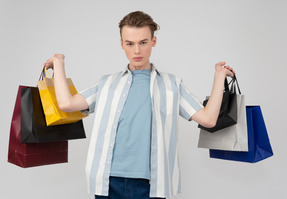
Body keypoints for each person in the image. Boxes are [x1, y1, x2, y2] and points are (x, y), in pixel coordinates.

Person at [44, 11, 234, 199]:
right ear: (122, 44)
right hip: (108, 182)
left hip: (152, 185)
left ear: (153, 42)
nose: (137, 51)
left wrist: (218, 77)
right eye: (130, 43)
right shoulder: (106, 83)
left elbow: (209, 120)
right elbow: (66, 104)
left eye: (143, 42)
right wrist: (59, 63)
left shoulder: (172, 84)